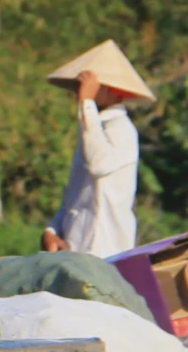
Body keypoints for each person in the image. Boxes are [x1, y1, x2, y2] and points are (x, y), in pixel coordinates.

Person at [44, 67, 142, 257]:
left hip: (104, 250)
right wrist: (52, 231)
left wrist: (86, 103)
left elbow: (98, 164)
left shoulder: (121, 129)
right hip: (74, 250)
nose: (80, 90)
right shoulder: (92, 129)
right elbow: (73, 197)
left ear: (113, 90)